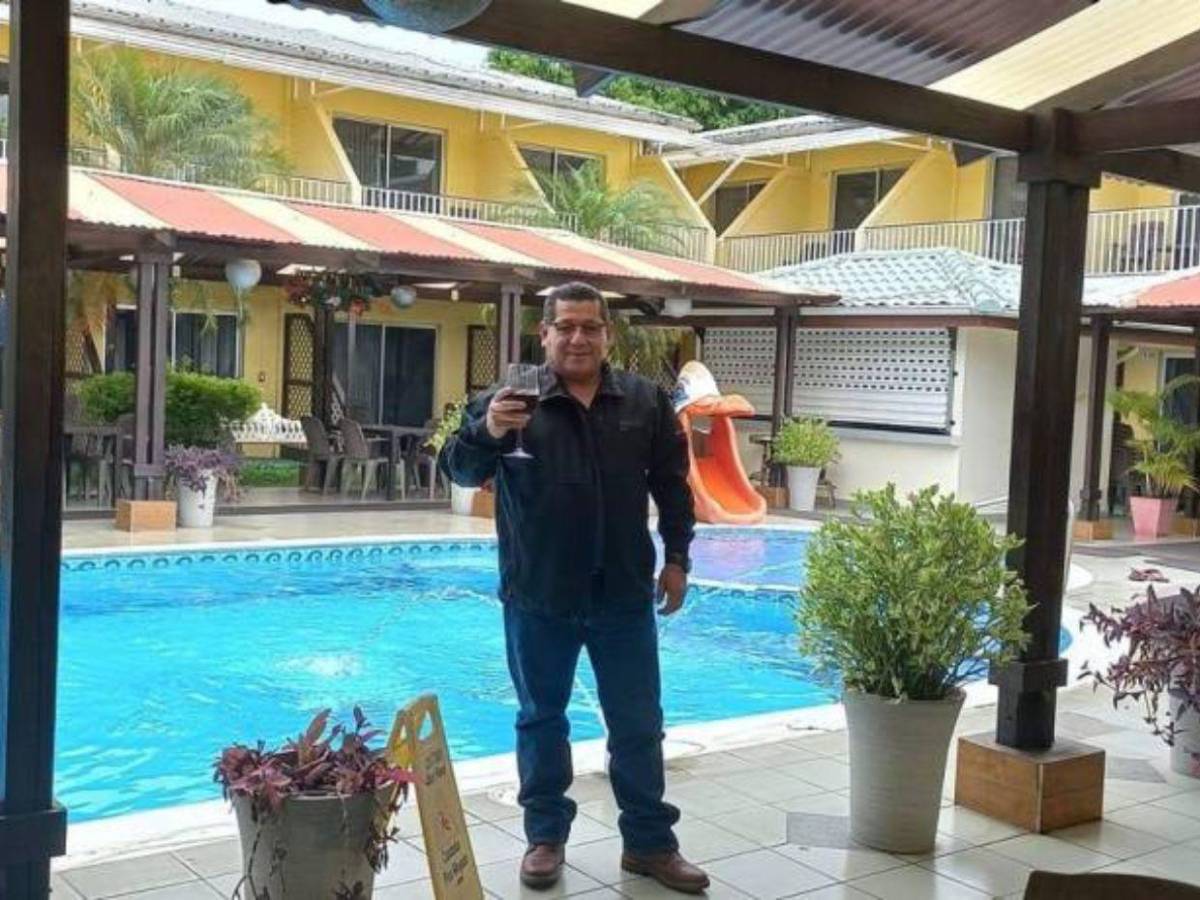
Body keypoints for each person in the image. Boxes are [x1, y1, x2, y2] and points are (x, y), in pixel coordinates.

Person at [440, 281, 708, 893]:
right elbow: (459, 469)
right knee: (541, 719)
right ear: (545, 334)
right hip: (539, 594)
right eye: (565, 327)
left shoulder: (643, 401)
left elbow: (673, 486)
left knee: (638, 723)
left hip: (623, 594)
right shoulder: (507, 401)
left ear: (607, 334)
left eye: (590, 326)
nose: (578, 338)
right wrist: (488, 430)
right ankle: (545, 837)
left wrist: (678, 559)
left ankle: (649, 844)